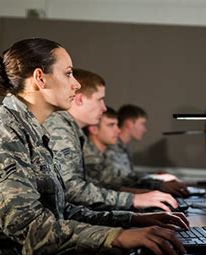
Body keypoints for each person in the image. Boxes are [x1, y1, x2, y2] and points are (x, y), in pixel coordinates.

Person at [0, 38, 188, 255]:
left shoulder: (32, 131)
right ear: (40, 78)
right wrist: (116, 236)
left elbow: (59, 210)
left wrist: (131, 220)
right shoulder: (2, 136)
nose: (77, 84)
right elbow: (30, 227)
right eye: (68, 73)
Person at [44, 68, 181, 212]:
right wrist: (133, 199)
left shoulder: (71, 129)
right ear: (79, 99)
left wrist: (136, 198)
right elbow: (70, 190)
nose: (104, 108)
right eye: (100, 99)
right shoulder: (59, 128)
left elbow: (94, 185)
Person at [105, 104, 189, 196]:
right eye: (142, 124)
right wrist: (157, 185)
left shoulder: (123, 148)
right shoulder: (110, 148)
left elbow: (128, 177)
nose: (144, 129)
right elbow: (118, 183)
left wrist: (154, 176)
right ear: (129, 123)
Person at [83, 106, 168, 193]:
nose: (118, 130)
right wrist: (150, 189)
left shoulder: (103, 153)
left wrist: (154, 183)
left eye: (116, 125)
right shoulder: (87, 156)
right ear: (93, 129)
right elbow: (105, 188)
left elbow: (119, 181)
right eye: (111, 125)